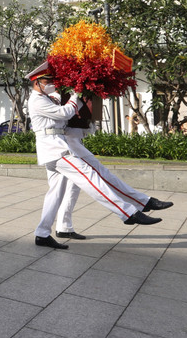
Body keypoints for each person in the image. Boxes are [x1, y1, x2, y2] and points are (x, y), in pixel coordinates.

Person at [26, 61, 165, 250]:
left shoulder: (49, 97)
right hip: (55, 149)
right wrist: (78, 93)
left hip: (57, 146)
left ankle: (42, 234)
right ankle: (127, 213)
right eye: (48, 81)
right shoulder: (37, 100)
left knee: (55, 194)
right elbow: (65, 113)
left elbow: (65, 117)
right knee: (89, 178)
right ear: (37, 82)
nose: (52, 84)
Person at [55, 94, 172, 240]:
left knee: (73, 188)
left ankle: (63, 227)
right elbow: (63, 112)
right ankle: (134, 208)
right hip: (61, 143)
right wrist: (76, 93)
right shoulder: (52, 94)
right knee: (92, 178)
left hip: (71, 139)